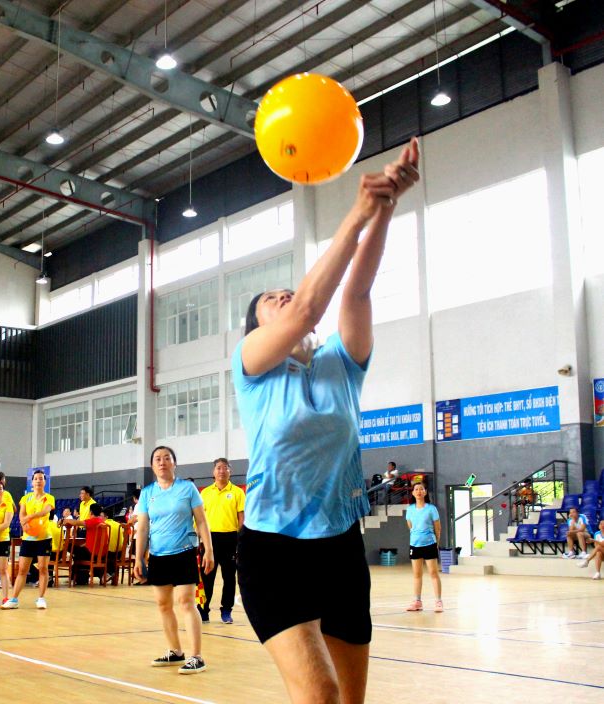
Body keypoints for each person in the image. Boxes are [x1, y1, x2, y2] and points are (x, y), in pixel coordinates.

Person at [232, 138, 420, 703]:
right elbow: (312, 305)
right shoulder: (253, 365)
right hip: (273, 552)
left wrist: (386, 206)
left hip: (339, 547)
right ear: (257, 328)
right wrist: (356, 213)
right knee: (320, 697)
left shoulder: (343, 361)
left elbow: (356, 290)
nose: (286, 297)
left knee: (350, 702)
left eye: (288, 291)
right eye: (271, 298)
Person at [132, 446, 214, 674]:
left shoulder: (187, 489)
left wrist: (209, 550)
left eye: (167, 458)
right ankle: (176, 652)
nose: (162, 462)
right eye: (157, 459)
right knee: (163, 604)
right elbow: (143, 527)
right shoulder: (148, 493)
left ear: (174, 463)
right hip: (158, 555)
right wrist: (139, 558)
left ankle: (197, 656)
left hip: (185, 552)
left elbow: (202, 522)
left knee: (187, 602)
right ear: (152, 466)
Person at [198, 458, 244, 624]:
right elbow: (199, 518)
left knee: (229, 578)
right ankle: (203, 610)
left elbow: (241, 518)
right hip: (209, 540)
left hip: (230, 538)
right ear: (213, 472)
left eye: (225, 468)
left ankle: (226, 611)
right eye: (218, 468)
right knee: (206, 577)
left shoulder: (238, 492)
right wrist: (200, 539)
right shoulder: (205, 493)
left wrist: (240, 540)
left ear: (230, 471)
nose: (222, 471)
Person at [2, 468, 55, 610]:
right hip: (28, 538)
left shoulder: (49, 497)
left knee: (43, 568)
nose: (38, 480)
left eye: (41, 478)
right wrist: (23, 524)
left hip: (44, 537)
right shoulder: (25, 498)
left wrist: (30, 517)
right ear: (32, 482)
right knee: (22, 570)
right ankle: (14, 599)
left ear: (45, 481)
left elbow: (46, 511)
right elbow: (21, 514)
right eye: (36, 478)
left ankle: (41, 598)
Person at [404, 482, 442, 613]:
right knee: (417, 574)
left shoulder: (431, 509)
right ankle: (417, 601)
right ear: (413, 493)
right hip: (415, 544)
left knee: (433, 573)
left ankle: (438, 602)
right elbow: (410, 526)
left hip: (429, 544)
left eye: (421, 489)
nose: (419, 491)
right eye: (416, 489)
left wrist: (436, 543)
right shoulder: (409, 509)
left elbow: (438, 528)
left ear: (425, 492)